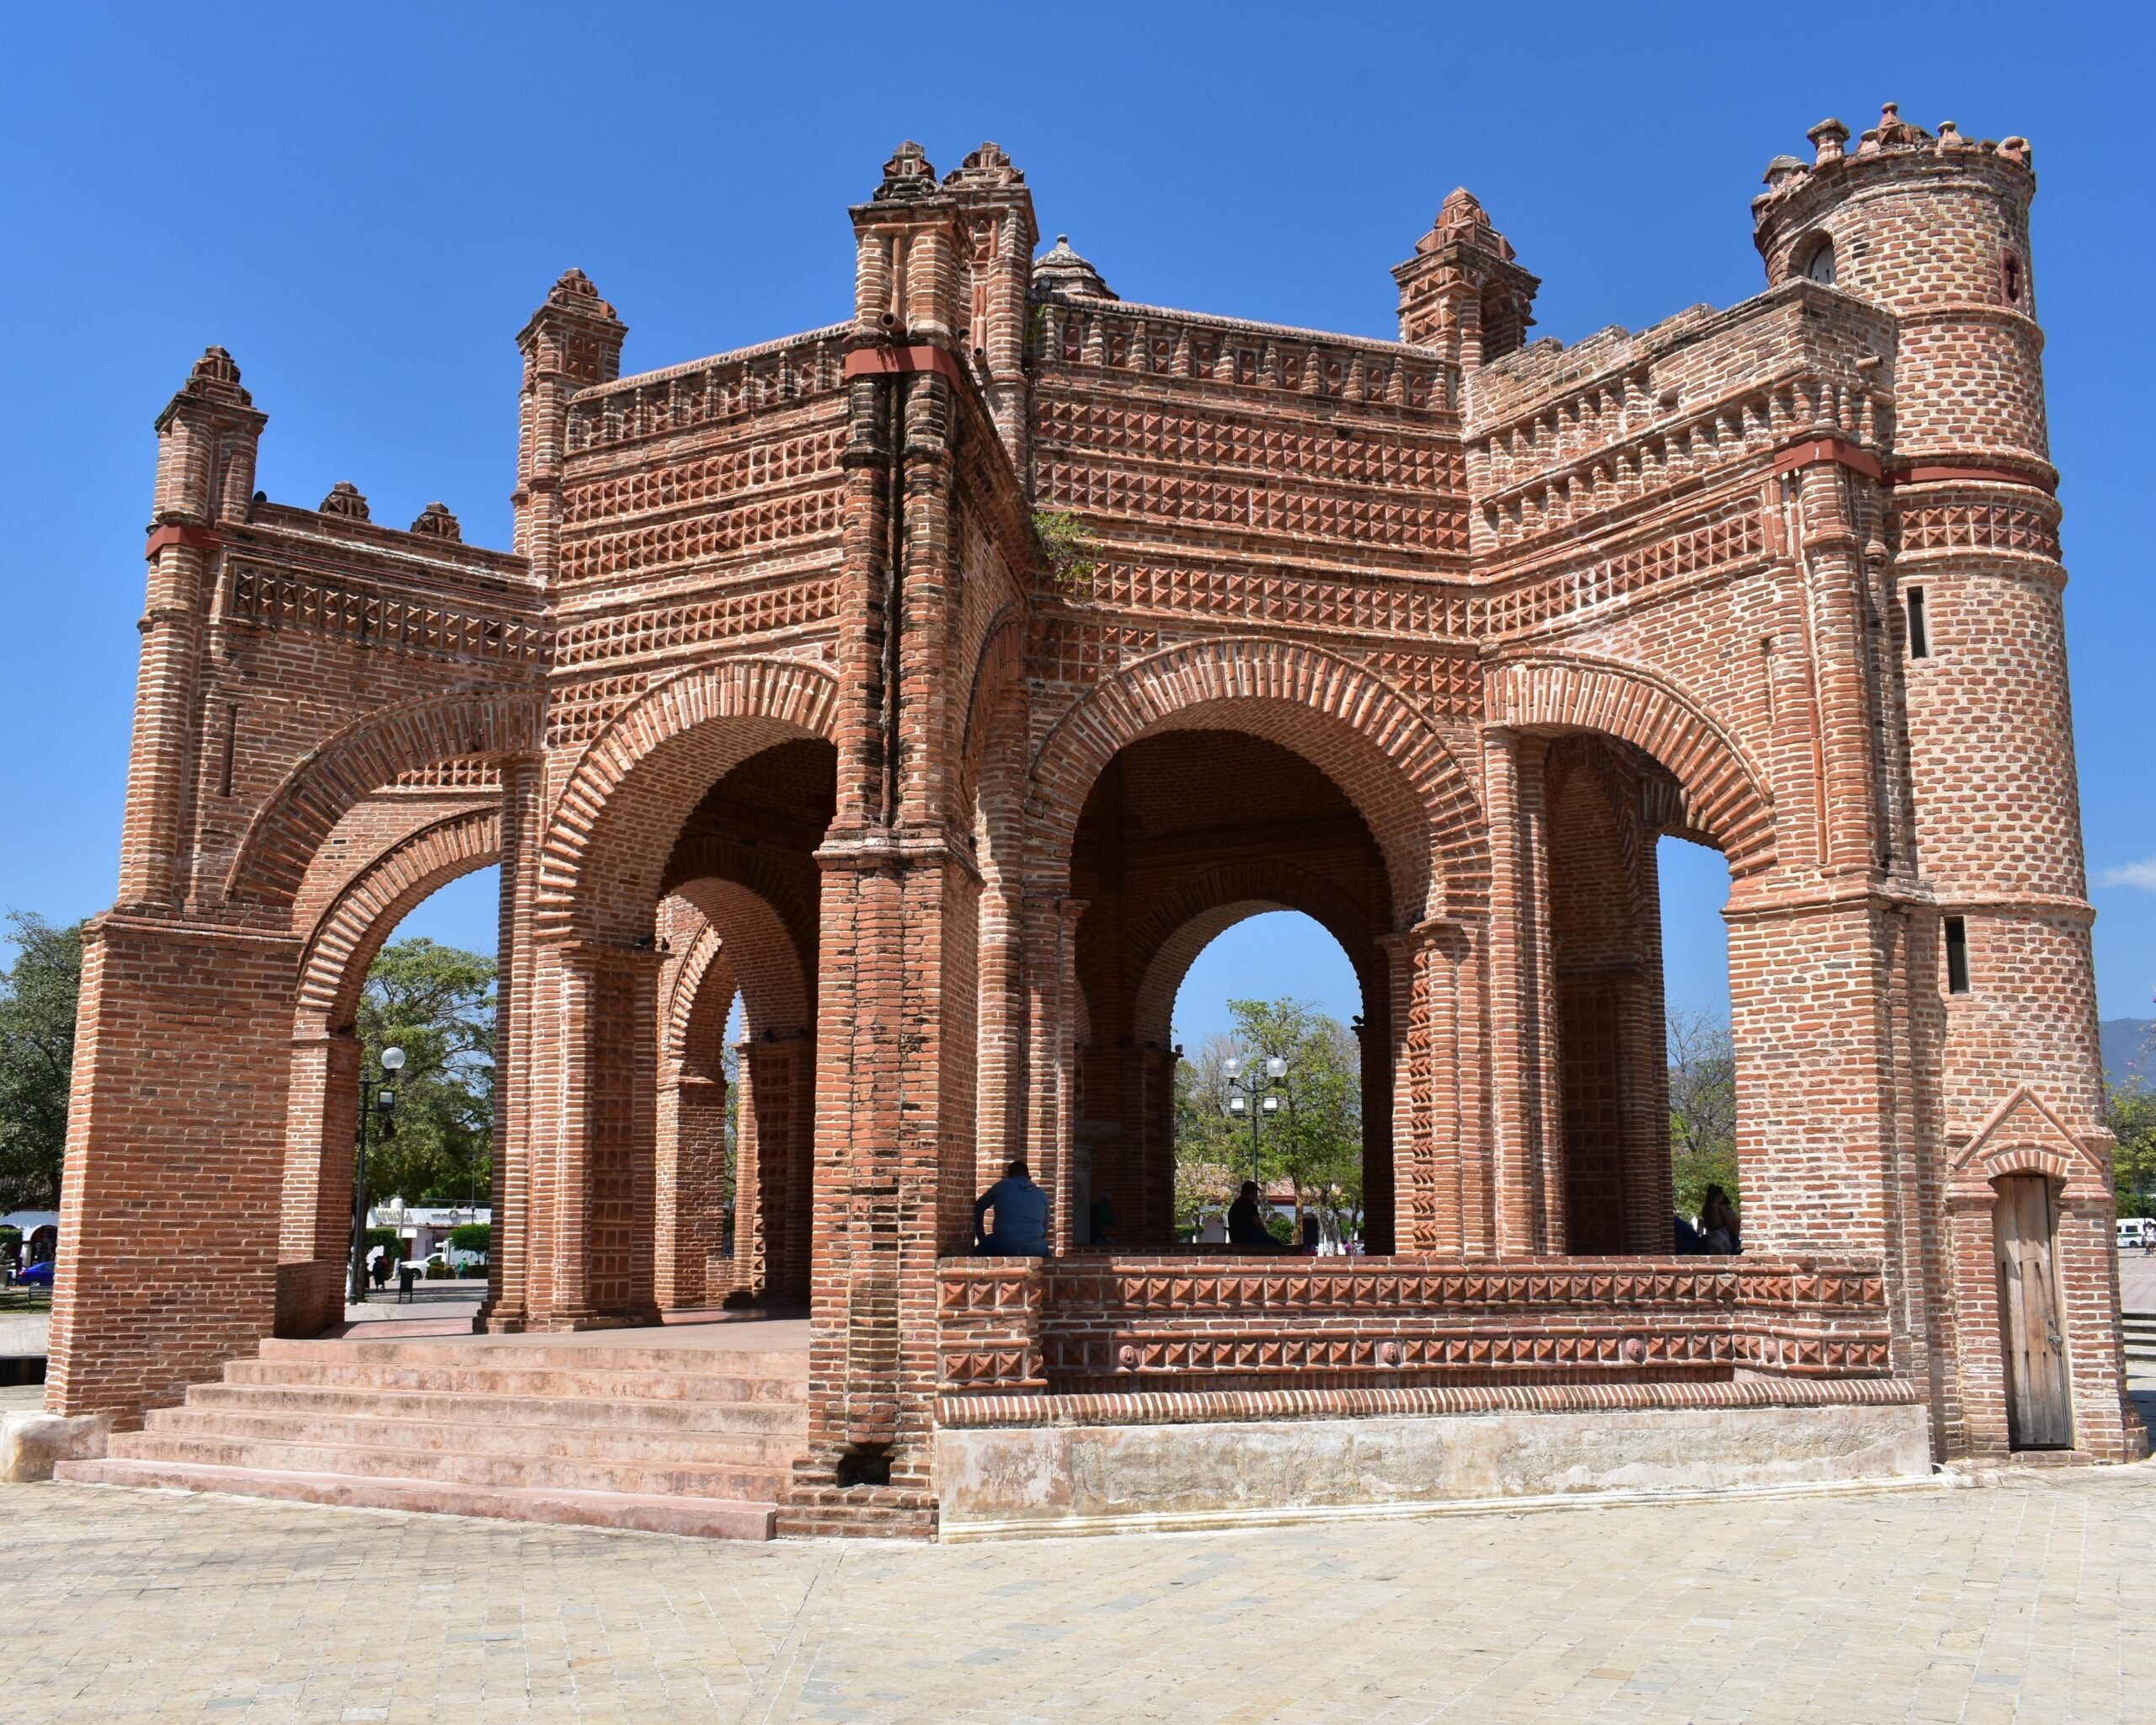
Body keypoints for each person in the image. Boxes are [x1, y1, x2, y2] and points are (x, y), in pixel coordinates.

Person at [973, 1160, 1052, 1257]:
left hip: (1003, 1245)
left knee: (974, 1255)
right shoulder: (1041, 1194)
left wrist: (981, 1237)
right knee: (1045, 1252)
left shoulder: (1004, 1185)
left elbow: (979, 1206)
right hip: (1035, 1248)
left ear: (1009, 1177)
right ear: (1029, 1178)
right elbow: (1045, 1228)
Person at [1227, 1180, 1284, 1252]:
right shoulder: (1249, 1205)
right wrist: (1266, 1235)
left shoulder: (1236, 1205)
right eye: (1255, 1192)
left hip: (1235, 1238)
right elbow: (1258, 1225)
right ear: (1252, 1192)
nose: (1256, 1195)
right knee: (1276, 1244)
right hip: (1249, 1238)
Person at [1701, 1185, 1742, 1255]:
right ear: (1718, 1195)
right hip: (1724, 1236)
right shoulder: (1720, 1207)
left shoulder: (1705, 1208)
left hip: (1712, 1236)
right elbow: (1730, 1223)